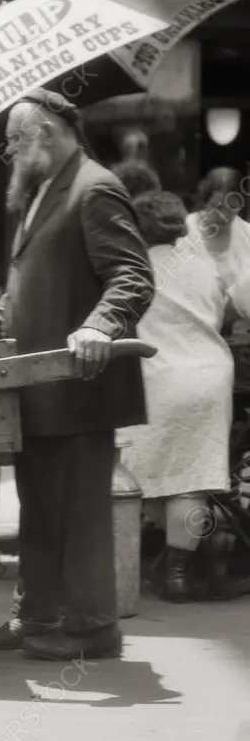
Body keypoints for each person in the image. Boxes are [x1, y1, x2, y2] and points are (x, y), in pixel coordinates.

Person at [0, 89, 155, 660]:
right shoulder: (46, 191)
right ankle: (39, 615)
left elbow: (132, 276)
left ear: (45, 131)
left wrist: (100, 327)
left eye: (17, 139)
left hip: (78, 387)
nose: (12, 152)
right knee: (41, 512)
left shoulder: (94, 188)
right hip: (37, 389)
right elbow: (22, 293)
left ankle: (94, 628)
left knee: (79, 513)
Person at [118, 190, 234, 602]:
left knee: (142, 475)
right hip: (208, 377)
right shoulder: (206, 264)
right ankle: (177, 575)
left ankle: (137, 565)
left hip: (155, 378)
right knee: (192, 479)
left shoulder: (131, 267)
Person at [188, 167, 250, 292]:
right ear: (205, 202)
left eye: (233, 207)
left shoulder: (247, 234)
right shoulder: (185, 229)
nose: (225, 216)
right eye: (218, 207)